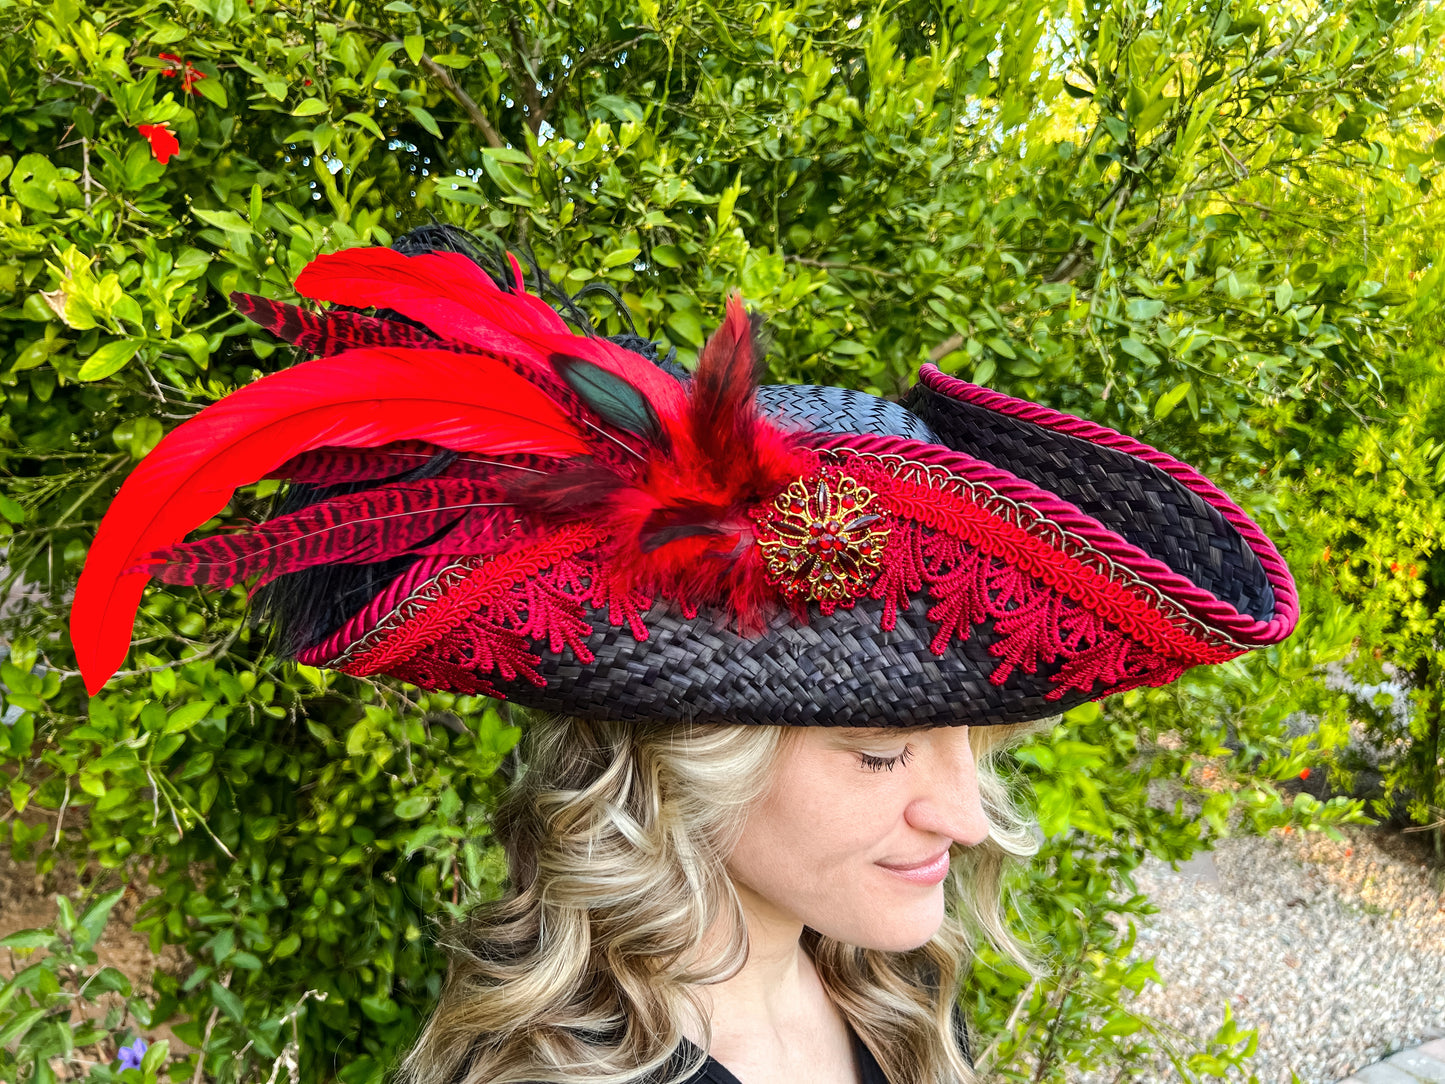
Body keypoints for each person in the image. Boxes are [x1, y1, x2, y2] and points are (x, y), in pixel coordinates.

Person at [71, 225, 1298, 1083]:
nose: (964, 814)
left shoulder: (888, 998)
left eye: (966, 740)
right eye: (879, 752)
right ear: (692, 758)